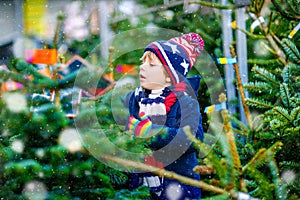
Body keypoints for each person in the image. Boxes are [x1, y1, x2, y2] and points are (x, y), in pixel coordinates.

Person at [125, 32, 205, 200]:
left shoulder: (186, 103)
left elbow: (193, 139)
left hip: (180, 189)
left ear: (170, 77)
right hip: (143, 188)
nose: (142, 67)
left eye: (152, 65)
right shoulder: (135, 99)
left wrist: (153, 132)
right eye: (143, 62)